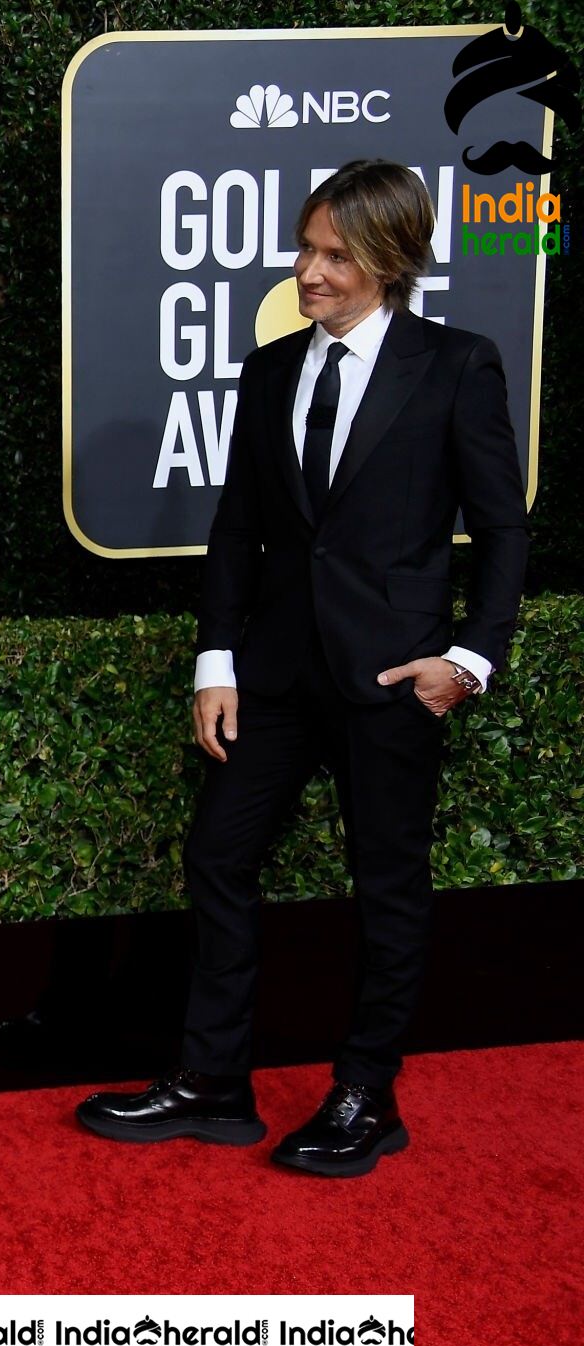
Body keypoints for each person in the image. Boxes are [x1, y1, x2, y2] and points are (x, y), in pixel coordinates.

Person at [76, 159, 529, 1176]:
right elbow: (237, 525)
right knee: (217, 855)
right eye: (305, 249)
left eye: (335, 256)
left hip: (391, 677)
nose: (308, 272)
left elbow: (502, 527)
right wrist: (215, 659)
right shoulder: (271, 367)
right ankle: (212, 1082)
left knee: (387, 883)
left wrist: (468, 658)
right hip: (275, 672)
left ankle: (366, 1093)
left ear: (390, 260)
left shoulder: (456, 365)